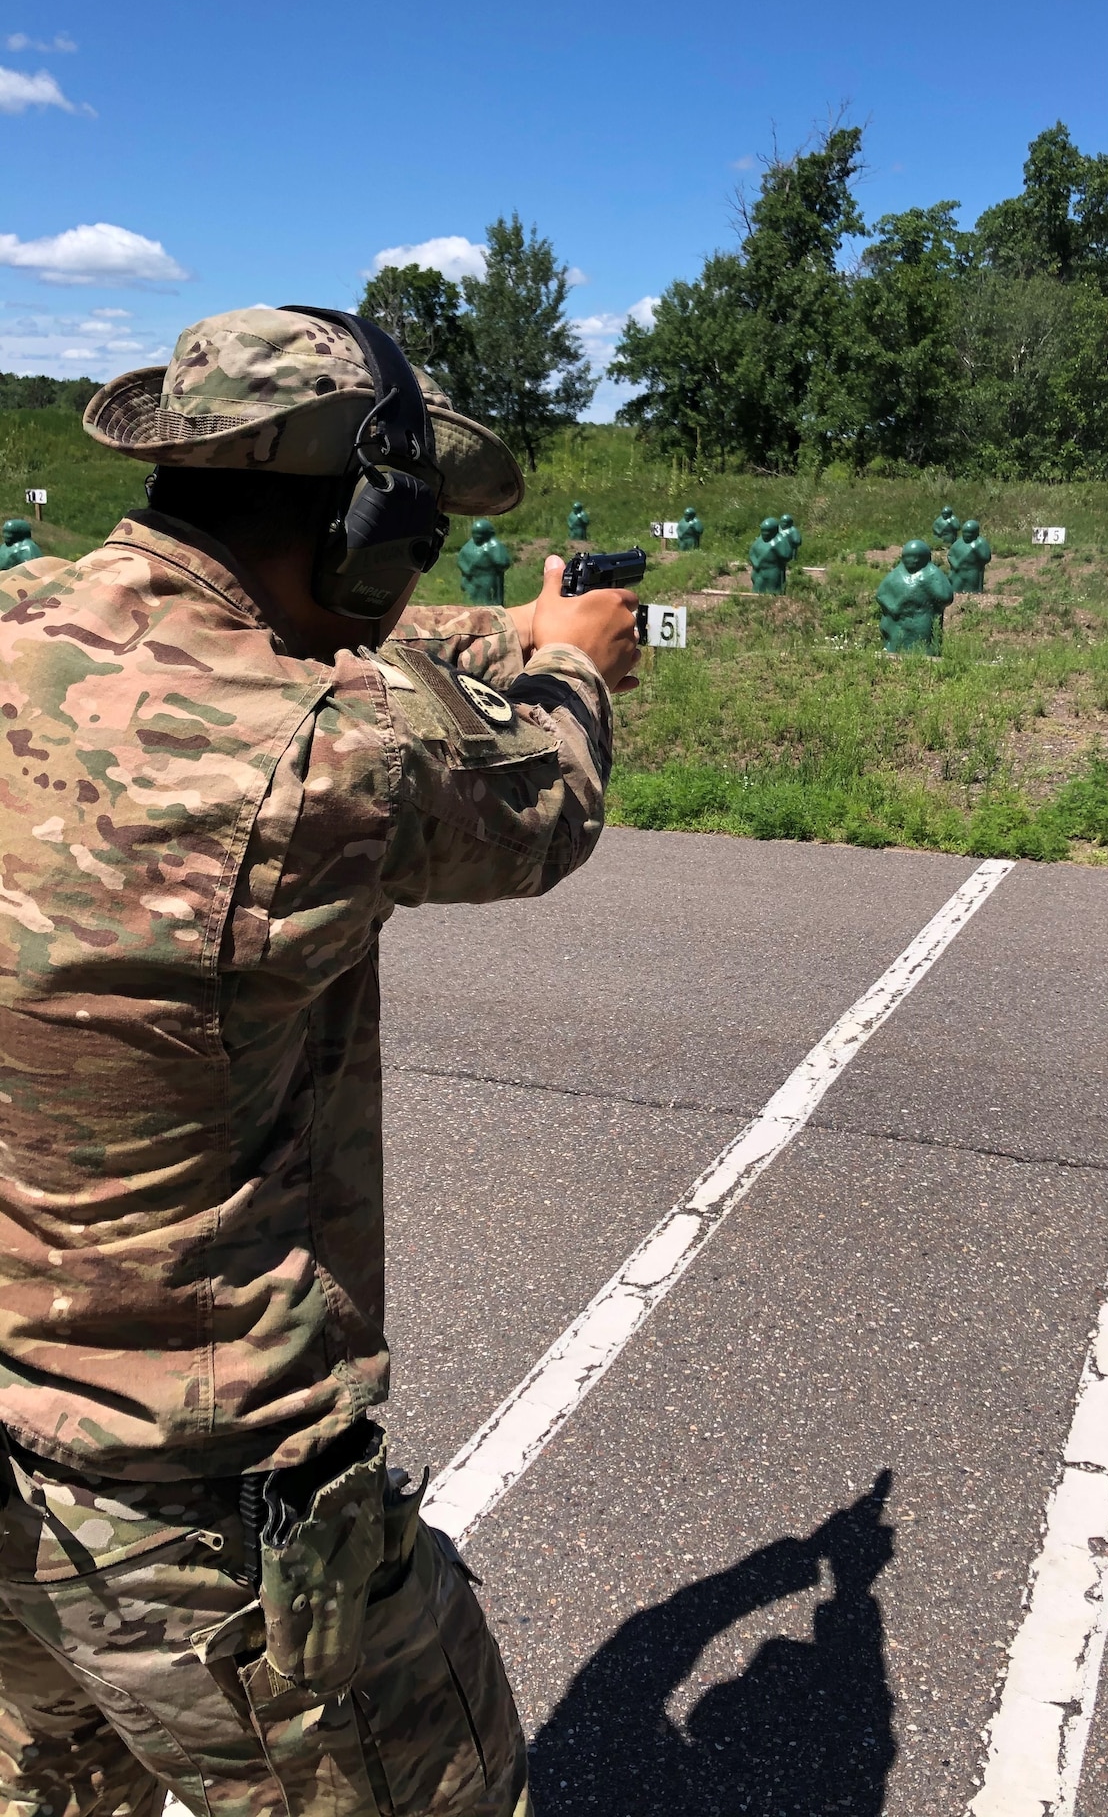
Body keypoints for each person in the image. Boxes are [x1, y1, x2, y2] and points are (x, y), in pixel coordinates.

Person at [0, 304, 640, 1817]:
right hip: (196, 1502)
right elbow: (543, 806)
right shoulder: (330, 758)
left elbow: (309, 644)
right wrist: (574, 673)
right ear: (366, 527)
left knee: (54, 1788)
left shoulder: (31, 622)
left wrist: (508, 630)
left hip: (13, 1455)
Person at [876, 538, 954, 655]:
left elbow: (946, 597)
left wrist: (927, 586)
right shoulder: (897, 574)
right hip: (899, 626)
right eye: (908, 557)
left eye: (916, 557)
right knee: (897, 646)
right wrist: (891, 607)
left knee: (923, 648)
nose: (912, 560)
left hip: (922, 623)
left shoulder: (932, 573)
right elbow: (881, 595)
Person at [458, 514, 514, 602]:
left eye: (479, 534)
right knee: (471, 603)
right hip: (471, 581)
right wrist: (466, 570)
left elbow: (503, 563)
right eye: (475, 534)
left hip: (489, 581)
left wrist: (489, 556)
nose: (477, 537)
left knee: (489, 603)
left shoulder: (494, 545)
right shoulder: (470, 545)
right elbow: (461, 558)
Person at [749, 515, 795, 592]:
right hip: (758, 571)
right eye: (763, 531)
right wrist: (755, 562)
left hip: (772, 571)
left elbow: (787, 555)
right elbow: (752, 552)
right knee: (757, 590)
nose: (765, 533)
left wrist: (776, 548)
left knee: (772, 591)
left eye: (768, 531)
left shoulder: (780, 540)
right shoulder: (759, 540)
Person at [948, 518, 992, 592]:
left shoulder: (980, 542)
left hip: (972, 572)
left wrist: (977, 551)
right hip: (958, 572)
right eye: (965, 532)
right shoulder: (959, 542)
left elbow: (986, 558)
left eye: (970, 533)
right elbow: (950, 555)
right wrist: (954, 564)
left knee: (972, 591)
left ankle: (971, 602)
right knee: (955, 590)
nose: (967, 535)